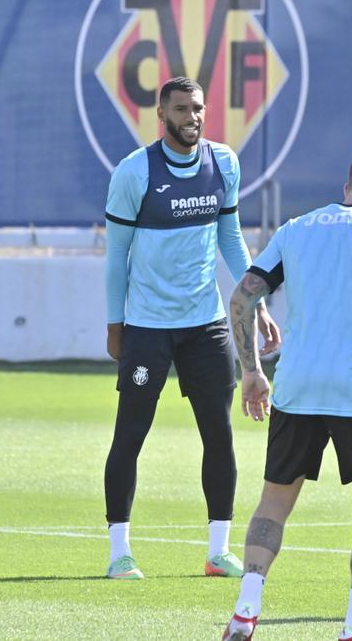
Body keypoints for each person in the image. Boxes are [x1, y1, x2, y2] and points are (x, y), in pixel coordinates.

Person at [220, 147, 352, 641]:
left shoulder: (296, 229)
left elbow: (243, 296)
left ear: (349, 182)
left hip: (296, 385)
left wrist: (251, 371)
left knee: (273, 502)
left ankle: (246, 611)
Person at [103, 77, 280, 580]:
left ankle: (217, 551)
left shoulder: (224, 162)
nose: (192, 117)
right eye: (181, 109)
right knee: (130, 433)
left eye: (198, 108)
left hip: (205, 325)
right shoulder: (134, 173)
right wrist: (115, 323)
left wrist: (255, 300)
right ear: (162, 115)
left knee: (218, 434)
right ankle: (120, 552)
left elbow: (230, 233)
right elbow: (116, 256)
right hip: (146, 326)